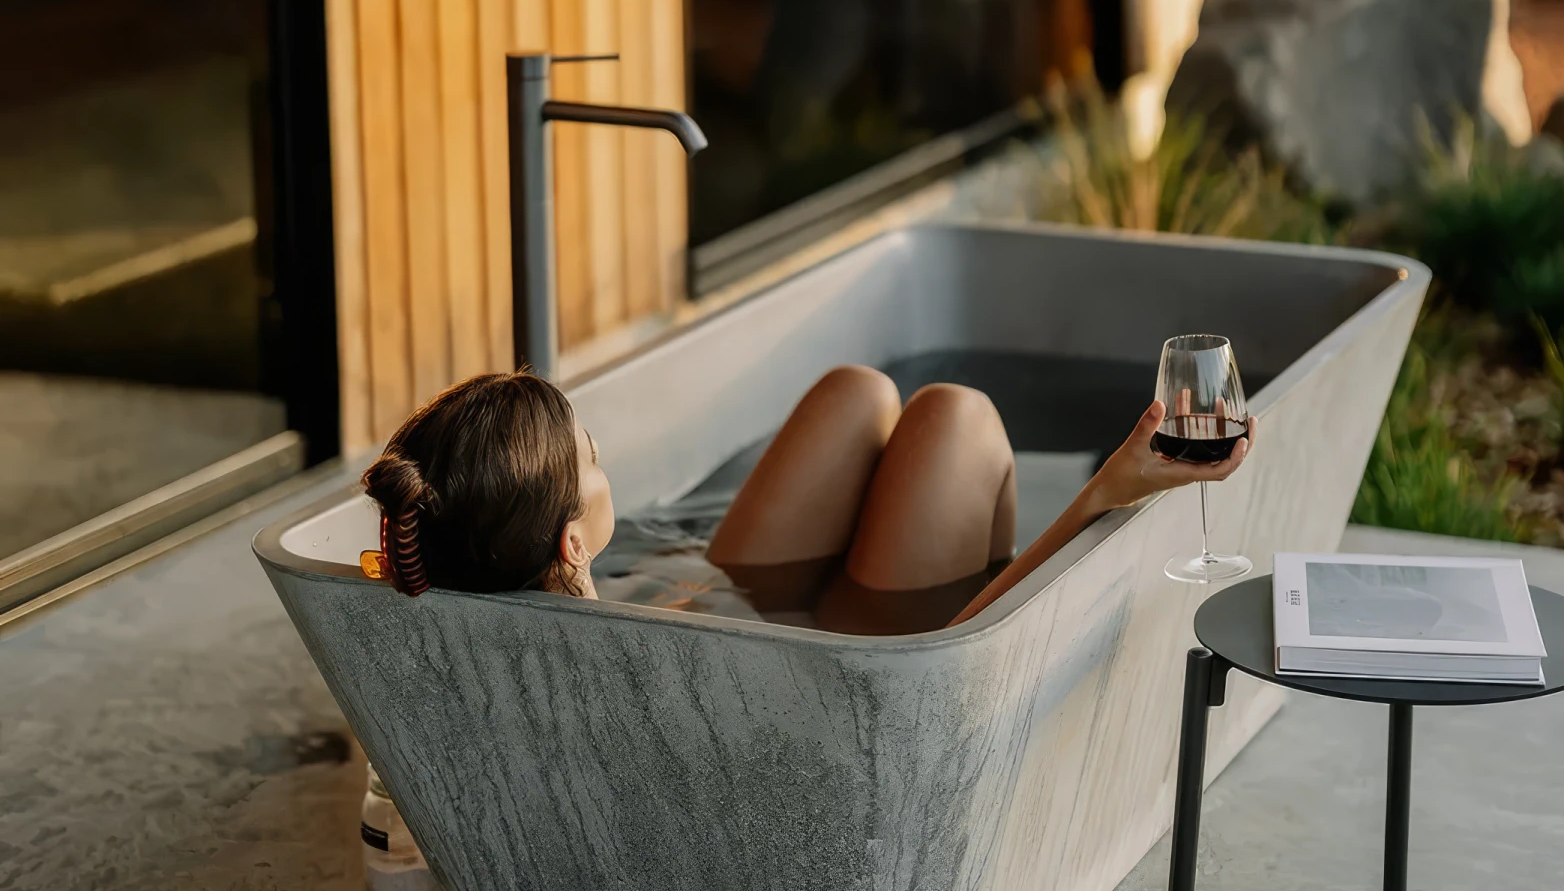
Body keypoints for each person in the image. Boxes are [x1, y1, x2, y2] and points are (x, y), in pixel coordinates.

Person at [362, 366, 1255, 635]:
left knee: (858, 393)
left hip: (693, 601)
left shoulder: (448, 558)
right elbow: (944, 663)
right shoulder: (648, 673)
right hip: (849, 645)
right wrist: (1107, 491)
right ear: (568, 545)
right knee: (957, 417)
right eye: (590, 456)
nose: (603, 454)